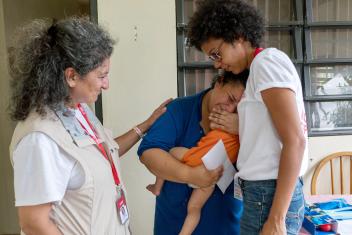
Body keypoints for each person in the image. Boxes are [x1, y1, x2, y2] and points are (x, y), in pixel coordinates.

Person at [8, 17, 171, 235]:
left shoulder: (79, 110)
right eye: (101, 76)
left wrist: (145, 125)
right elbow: (34, 223)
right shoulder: (39, 138)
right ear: (72, 76)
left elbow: (105, 153)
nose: (107, 84)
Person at [187, 1, 309, 235]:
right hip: (264, 191)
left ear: (238, 36)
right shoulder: (260, 68)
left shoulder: (266, 63)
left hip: (269, 193)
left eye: (216, 53)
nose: (216, 63)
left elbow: (296, 140)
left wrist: (276, 218)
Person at [138, 70, 248, 235]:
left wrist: (245, 125)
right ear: (220, 81)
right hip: (172, 225)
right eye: (230, 99)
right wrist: (190, 174)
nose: (230, 110)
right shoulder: (180, 109)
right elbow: (149, 153)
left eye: (239, 108)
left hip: (227, 226)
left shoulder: (249, 123)